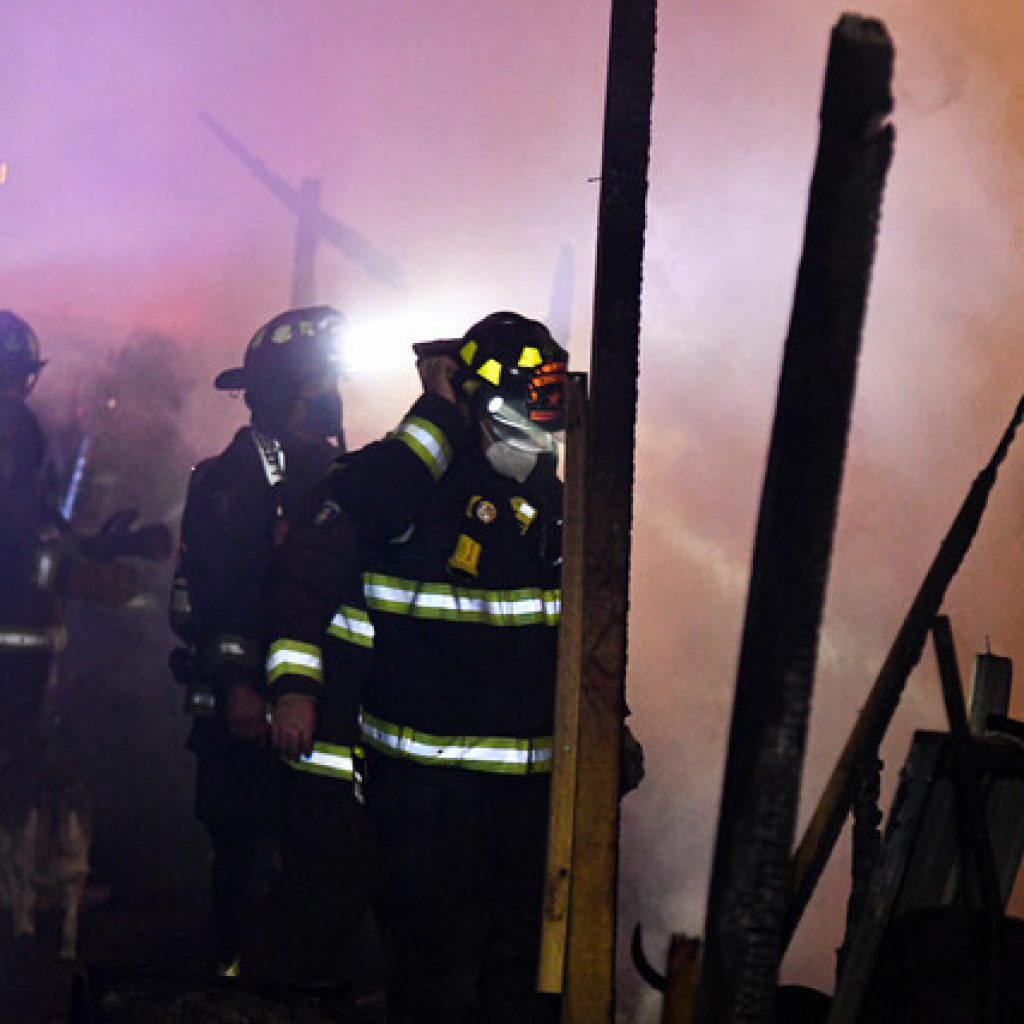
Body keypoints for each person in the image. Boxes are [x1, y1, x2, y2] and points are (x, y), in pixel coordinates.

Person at [266, 311, 568, 1022]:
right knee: (432, 975)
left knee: (521, 976)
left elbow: (584, 628)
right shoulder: (413, 484)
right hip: (427, 792)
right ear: (480, 398)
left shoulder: (552, 496)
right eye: (531, 396)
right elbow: (350, 514)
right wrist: (437, 414)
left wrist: (612, 727)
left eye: (550, 397)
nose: (542, 418)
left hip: (529, 792)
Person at [167, 305, 345, 976]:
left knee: (308, 867)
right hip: (240, 722)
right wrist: (241, 685)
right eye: (317, 386)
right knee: (244, 864)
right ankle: (231, 984)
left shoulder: (328, 474)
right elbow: (221, 596)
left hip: (310, 717)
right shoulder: (236, 482)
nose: (330, 399)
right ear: (282, 393)